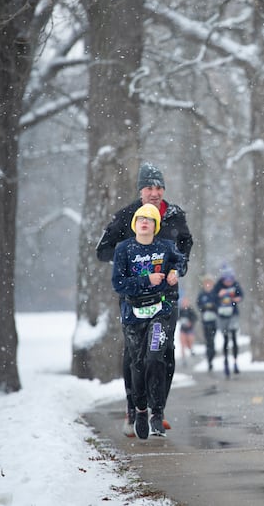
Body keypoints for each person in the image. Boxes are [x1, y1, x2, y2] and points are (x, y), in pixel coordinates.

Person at [96, 162, 193, 437]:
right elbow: (102, 251)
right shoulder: (127, 216)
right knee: (135, 356)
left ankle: (158, 410)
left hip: (166, 298)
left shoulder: (174, 215)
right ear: (140, 190)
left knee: (164, 353)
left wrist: (176, 268)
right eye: (149, 187)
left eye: (159, 187)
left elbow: (185, 246)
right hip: (135, 299)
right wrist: (133, 254)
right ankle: (133, 408)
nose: (155, 192)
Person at [111, 203, 187, 439]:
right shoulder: (124, 249)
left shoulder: (165, 247)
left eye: (150, 219)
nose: (145, 222)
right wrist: (146, 280)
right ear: (135, 223)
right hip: (133, 313)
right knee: (138, 363)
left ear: (155, 225)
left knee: (155, 357)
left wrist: (175, 272)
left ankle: (157, 411)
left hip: (160, 311)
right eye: (141, 219)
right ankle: (140, 409)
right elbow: (118, 283)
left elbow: (180, 261)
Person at [214, 265, 244, 378]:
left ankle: (235, 362)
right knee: (225, 338)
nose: (229, 283)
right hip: (222, 315)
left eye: (230, 280)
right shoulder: (218, 286)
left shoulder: (235, 284)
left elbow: (241, 295)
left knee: (234, 337)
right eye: (227, 280)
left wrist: (237, 299)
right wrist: (218, 296)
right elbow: (213, 298)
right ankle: (226, 361)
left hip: (233, 314)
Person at [196, 274, 219, 372]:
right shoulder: (202, 294)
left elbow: (218, 304)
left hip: (214, 320)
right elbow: (199, 305)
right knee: (208, 340)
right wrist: (205, 307)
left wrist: (212, 306)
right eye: (206, 283)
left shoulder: (215, 293)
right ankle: (209, 359)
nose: (208, 285)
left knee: (212, 339)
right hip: (205, 321)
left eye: (209, 283)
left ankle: (212, 353)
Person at [177, 297, 197, 365]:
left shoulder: (190, 310)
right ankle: (183, 359)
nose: (184, 303)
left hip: (190, 329)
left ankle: (191, 349)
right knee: (182, 344)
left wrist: (190, 322)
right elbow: (177, 318)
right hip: (183, 329)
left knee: (189, 343)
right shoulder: (180, 310)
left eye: (186, 302)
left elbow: (195, 318)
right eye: (183, 302)